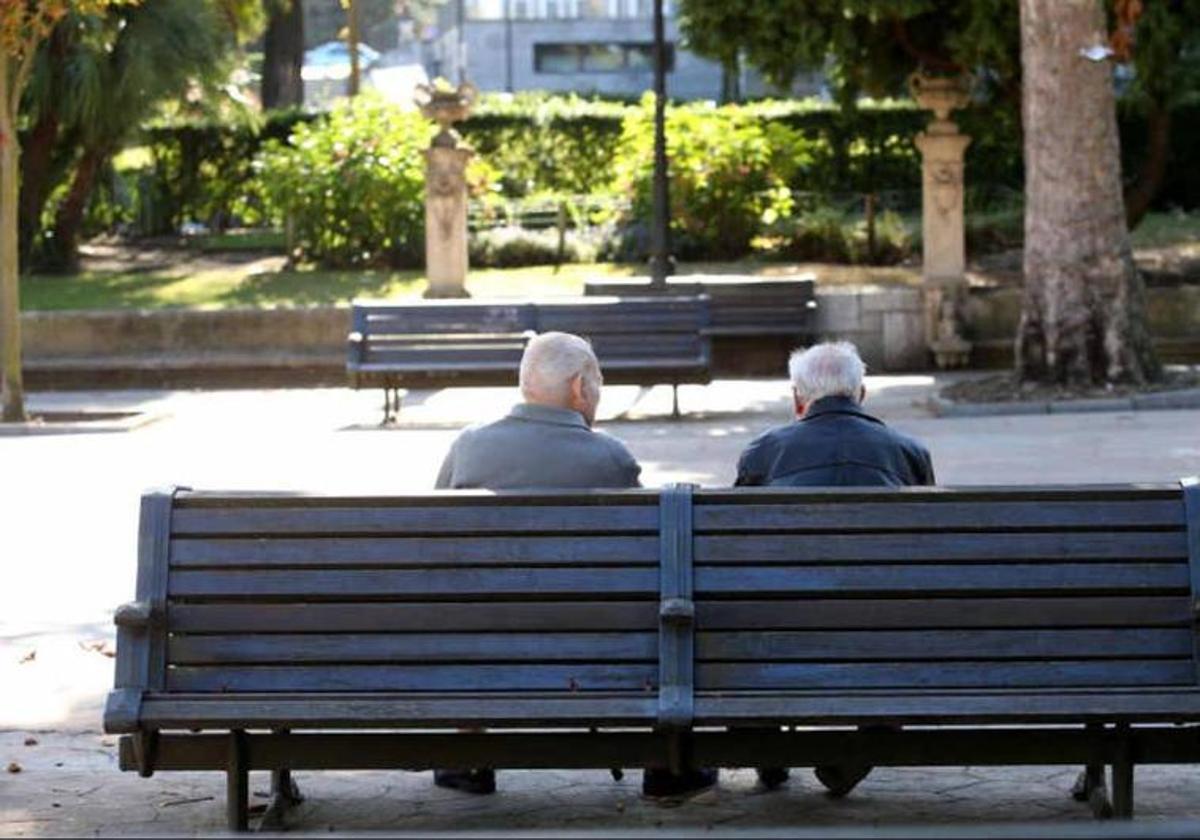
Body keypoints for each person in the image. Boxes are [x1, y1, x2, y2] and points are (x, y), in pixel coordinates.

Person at [432, 331, 716, 800]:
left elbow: (439, 554)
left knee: (466, 602)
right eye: (599, 381)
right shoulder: (610, 458)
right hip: (593, 647)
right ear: (580, 388)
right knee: (666, 604)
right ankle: (663, 761)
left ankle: (469, 757)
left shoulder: (469, 447)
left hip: (482, 648)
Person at [733, 341, 935, 795]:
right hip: (884, 638)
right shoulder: (909, 454)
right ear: (861, 394)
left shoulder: (763, 453)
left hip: (783, 634)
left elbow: (737, 553)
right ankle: (849, 759)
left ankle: (769, 751)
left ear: (797, 399)